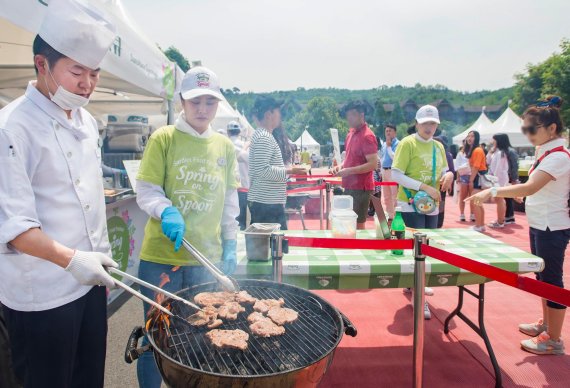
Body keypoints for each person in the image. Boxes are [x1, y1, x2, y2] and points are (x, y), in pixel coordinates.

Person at [0, 2, 118, 387]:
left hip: (88, 284)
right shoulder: (12, 128)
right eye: (77, 72)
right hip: (43, 293)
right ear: (42, 64)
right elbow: (15, 228)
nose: (87, 84)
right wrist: (73, 260)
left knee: (88, 379)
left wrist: (95, 257)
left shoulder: (86, 120)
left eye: (95, 74)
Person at [135, 66, 240, 387]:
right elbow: (147, 190)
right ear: (182, 100)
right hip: (161, 258)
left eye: (210, 102)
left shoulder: (224, 146)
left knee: (202, 337)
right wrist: (166, 211)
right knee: (157, 338)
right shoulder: (164, 138)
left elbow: (229, 201)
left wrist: (230, 242)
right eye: (195, 101)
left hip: (204, 261)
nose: (202, 109)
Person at [467, 96, 569, 355]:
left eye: (531, 129)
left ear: (551, 129)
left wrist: (493, 192)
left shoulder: (558, 156)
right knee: (543, 277)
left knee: (552, 280)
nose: (528, 135)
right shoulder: (546, 152)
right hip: (541, 224)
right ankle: (547, 324)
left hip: (552, 226)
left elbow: (531, 186)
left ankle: (554, 339)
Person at [392, 105, 454, 319]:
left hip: (432, 203)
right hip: (410, 202)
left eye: (433, 123)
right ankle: (418, 295)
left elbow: (445, 170)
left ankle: (416, 283)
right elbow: (396, 174)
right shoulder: (407, 143)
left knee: (428, 247)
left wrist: (449, 176)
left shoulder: (438, 146)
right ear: (417, 123)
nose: (430, 127)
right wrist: (423, 186)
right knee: (416, 249)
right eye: (426, 123)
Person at [248, 96, 305, 230]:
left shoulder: (262, 135)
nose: (280, 116)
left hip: (266, 201)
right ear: (269, 115)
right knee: (274, 245)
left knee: (269, 244)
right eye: (278, 112)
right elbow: (263, 170)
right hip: (267, 204)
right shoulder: (264, 137)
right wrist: (290, 171)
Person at [330, 100, 379, 229]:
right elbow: (349, 159)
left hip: (361, 188)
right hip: (349, 185)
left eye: (352, 115)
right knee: (346, 223)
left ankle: (360, 248)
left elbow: (373, 164)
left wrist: (348, 171)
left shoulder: (368, 136)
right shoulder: (350, 134)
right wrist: (339, 167)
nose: (349, 118)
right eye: (347, 115)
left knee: (357, 225)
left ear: (361, 115)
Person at [227, 121, 250, 230]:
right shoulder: (244, 146)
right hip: (244, 186)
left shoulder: (225, 144)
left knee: (229, 217)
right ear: (239, 131)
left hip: (228, 187)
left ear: (228, 132)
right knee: (242, 219)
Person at [464, 130, 488, 232]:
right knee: (478, 202)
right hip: (478, 176)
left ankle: (479, 225)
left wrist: (471, 180)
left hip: (478, 177)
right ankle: (481, 225)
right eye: (468, 136)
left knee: (476, 202)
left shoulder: (477, 150)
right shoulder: (474, 150)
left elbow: (476, 166)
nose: (469, 138)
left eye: (472, 136)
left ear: (476, 138)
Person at [486, 134, 511, 228]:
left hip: (499, 179)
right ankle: (500, 219)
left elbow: (499, 168)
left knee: (499, 199)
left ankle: (500, 221)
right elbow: (487, 161)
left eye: (494, 140)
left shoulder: (501, 153)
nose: (492, 142)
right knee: (499, 199)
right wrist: (490, 151)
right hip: (496, 178)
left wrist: (494, 180)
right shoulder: (496, 151)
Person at [435, 136, 455, 228]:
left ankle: (439, 223)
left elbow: (450, 170)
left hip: (441, 184)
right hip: (435, 184)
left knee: (441, 204)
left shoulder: (447, 155)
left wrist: (449, 183)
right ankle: (438, 223)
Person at [380, 123, 399, 219]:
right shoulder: (383, 144)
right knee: (386, 196)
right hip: (384, 171)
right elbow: (382, 157)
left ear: (395, 133)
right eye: (386, 131)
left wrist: (389, 146)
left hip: (392, 171)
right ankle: (390, 216)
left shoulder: (398, 144)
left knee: (394, 195)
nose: (388, 133)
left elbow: (394, 157)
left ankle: (396, 216)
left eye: (390, 131)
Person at [455, 142, 474, 222]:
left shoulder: (475, 152)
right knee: (463, 196)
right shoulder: (460, 154)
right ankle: (462, 214)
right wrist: (458, 177)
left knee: (472, 196)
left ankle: (472, 214)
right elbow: (457, 166)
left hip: (473, 176)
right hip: (463, 176)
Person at [505, 145, 520, 224]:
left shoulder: (510, 151)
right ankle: (508, 216)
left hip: (509, 177)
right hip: (507, 177)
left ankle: (509, 216)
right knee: (507, 197)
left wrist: (514, 178)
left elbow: (514, 166)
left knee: (508, 197)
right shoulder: (505, 151)